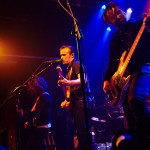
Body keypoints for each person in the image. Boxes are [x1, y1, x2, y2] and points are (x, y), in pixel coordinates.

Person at [102, 1, 150, 149]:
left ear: (122, 11)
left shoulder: (140, 25)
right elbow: (112, 65)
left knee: (135, 99)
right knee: (128, 113)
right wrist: (105, 80)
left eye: (117, 12)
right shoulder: (114, 41)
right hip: (127, 78)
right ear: (110, 23)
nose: (117, 17)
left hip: (144, 67)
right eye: (112, 18)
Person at [58, 45, 97, 150]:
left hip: (82, 101)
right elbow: (69, 89)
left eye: (64, 55)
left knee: (84, 133)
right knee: (79, 133)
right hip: (76, 102)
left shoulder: (76, 64)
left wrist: (67, 82)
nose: (61, 57)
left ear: (72, 55)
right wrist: (66, 96)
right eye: (61, 55)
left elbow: (83, 81)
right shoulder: (69, 69)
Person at [19, 76, 54, 150]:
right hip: (38, 128)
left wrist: (24, 114)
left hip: (42, 129)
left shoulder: (45, 96)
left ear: (38, 87)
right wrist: (29, 121)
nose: (31, 90)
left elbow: (37, 112)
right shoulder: (41, 96)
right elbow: (35, 112)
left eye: (33, 87)